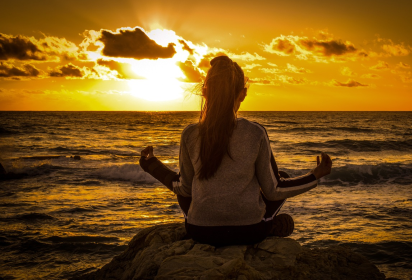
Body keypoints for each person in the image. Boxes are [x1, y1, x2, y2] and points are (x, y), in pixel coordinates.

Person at [139, 55, 332, 247]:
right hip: (248, 232)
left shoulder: (190, 134)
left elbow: (184, 189)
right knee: (280, 178)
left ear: (205, 93)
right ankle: (269, 225)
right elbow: (274, 191)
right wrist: (315, 175)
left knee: (184, 184)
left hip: (200, 232)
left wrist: (152, 165)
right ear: (243, 93)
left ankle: (265, 224)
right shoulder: (255, 132)